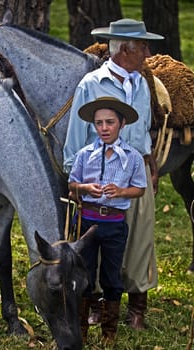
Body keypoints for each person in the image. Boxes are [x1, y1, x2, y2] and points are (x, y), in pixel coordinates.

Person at [63, 18, 164, 330]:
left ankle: (136, 309)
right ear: (125, 50)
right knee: (95, 240)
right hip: (101, 179)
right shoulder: (91, 85)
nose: (148, 53)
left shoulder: (142, 83)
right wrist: (77, 185)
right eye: (143, 47)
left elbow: (143, 131)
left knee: (140, 241)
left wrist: (150, 165)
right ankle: (95, 306)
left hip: (137, 175)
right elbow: (75, 142)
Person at [68, 96, 147, 343]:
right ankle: (81, 327)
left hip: (114, 224)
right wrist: (84, 188)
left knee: (112, 275)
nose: (104, 128)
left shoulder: (132, 157)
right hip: (87, 223)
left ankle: (109, 332)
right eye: (99, 123)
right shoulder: (84, 155)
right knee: (84, 274)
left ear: (122, 124)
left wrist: (122, 192)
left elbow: (140, 188)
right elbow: (72, 186)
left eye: (109, 122)